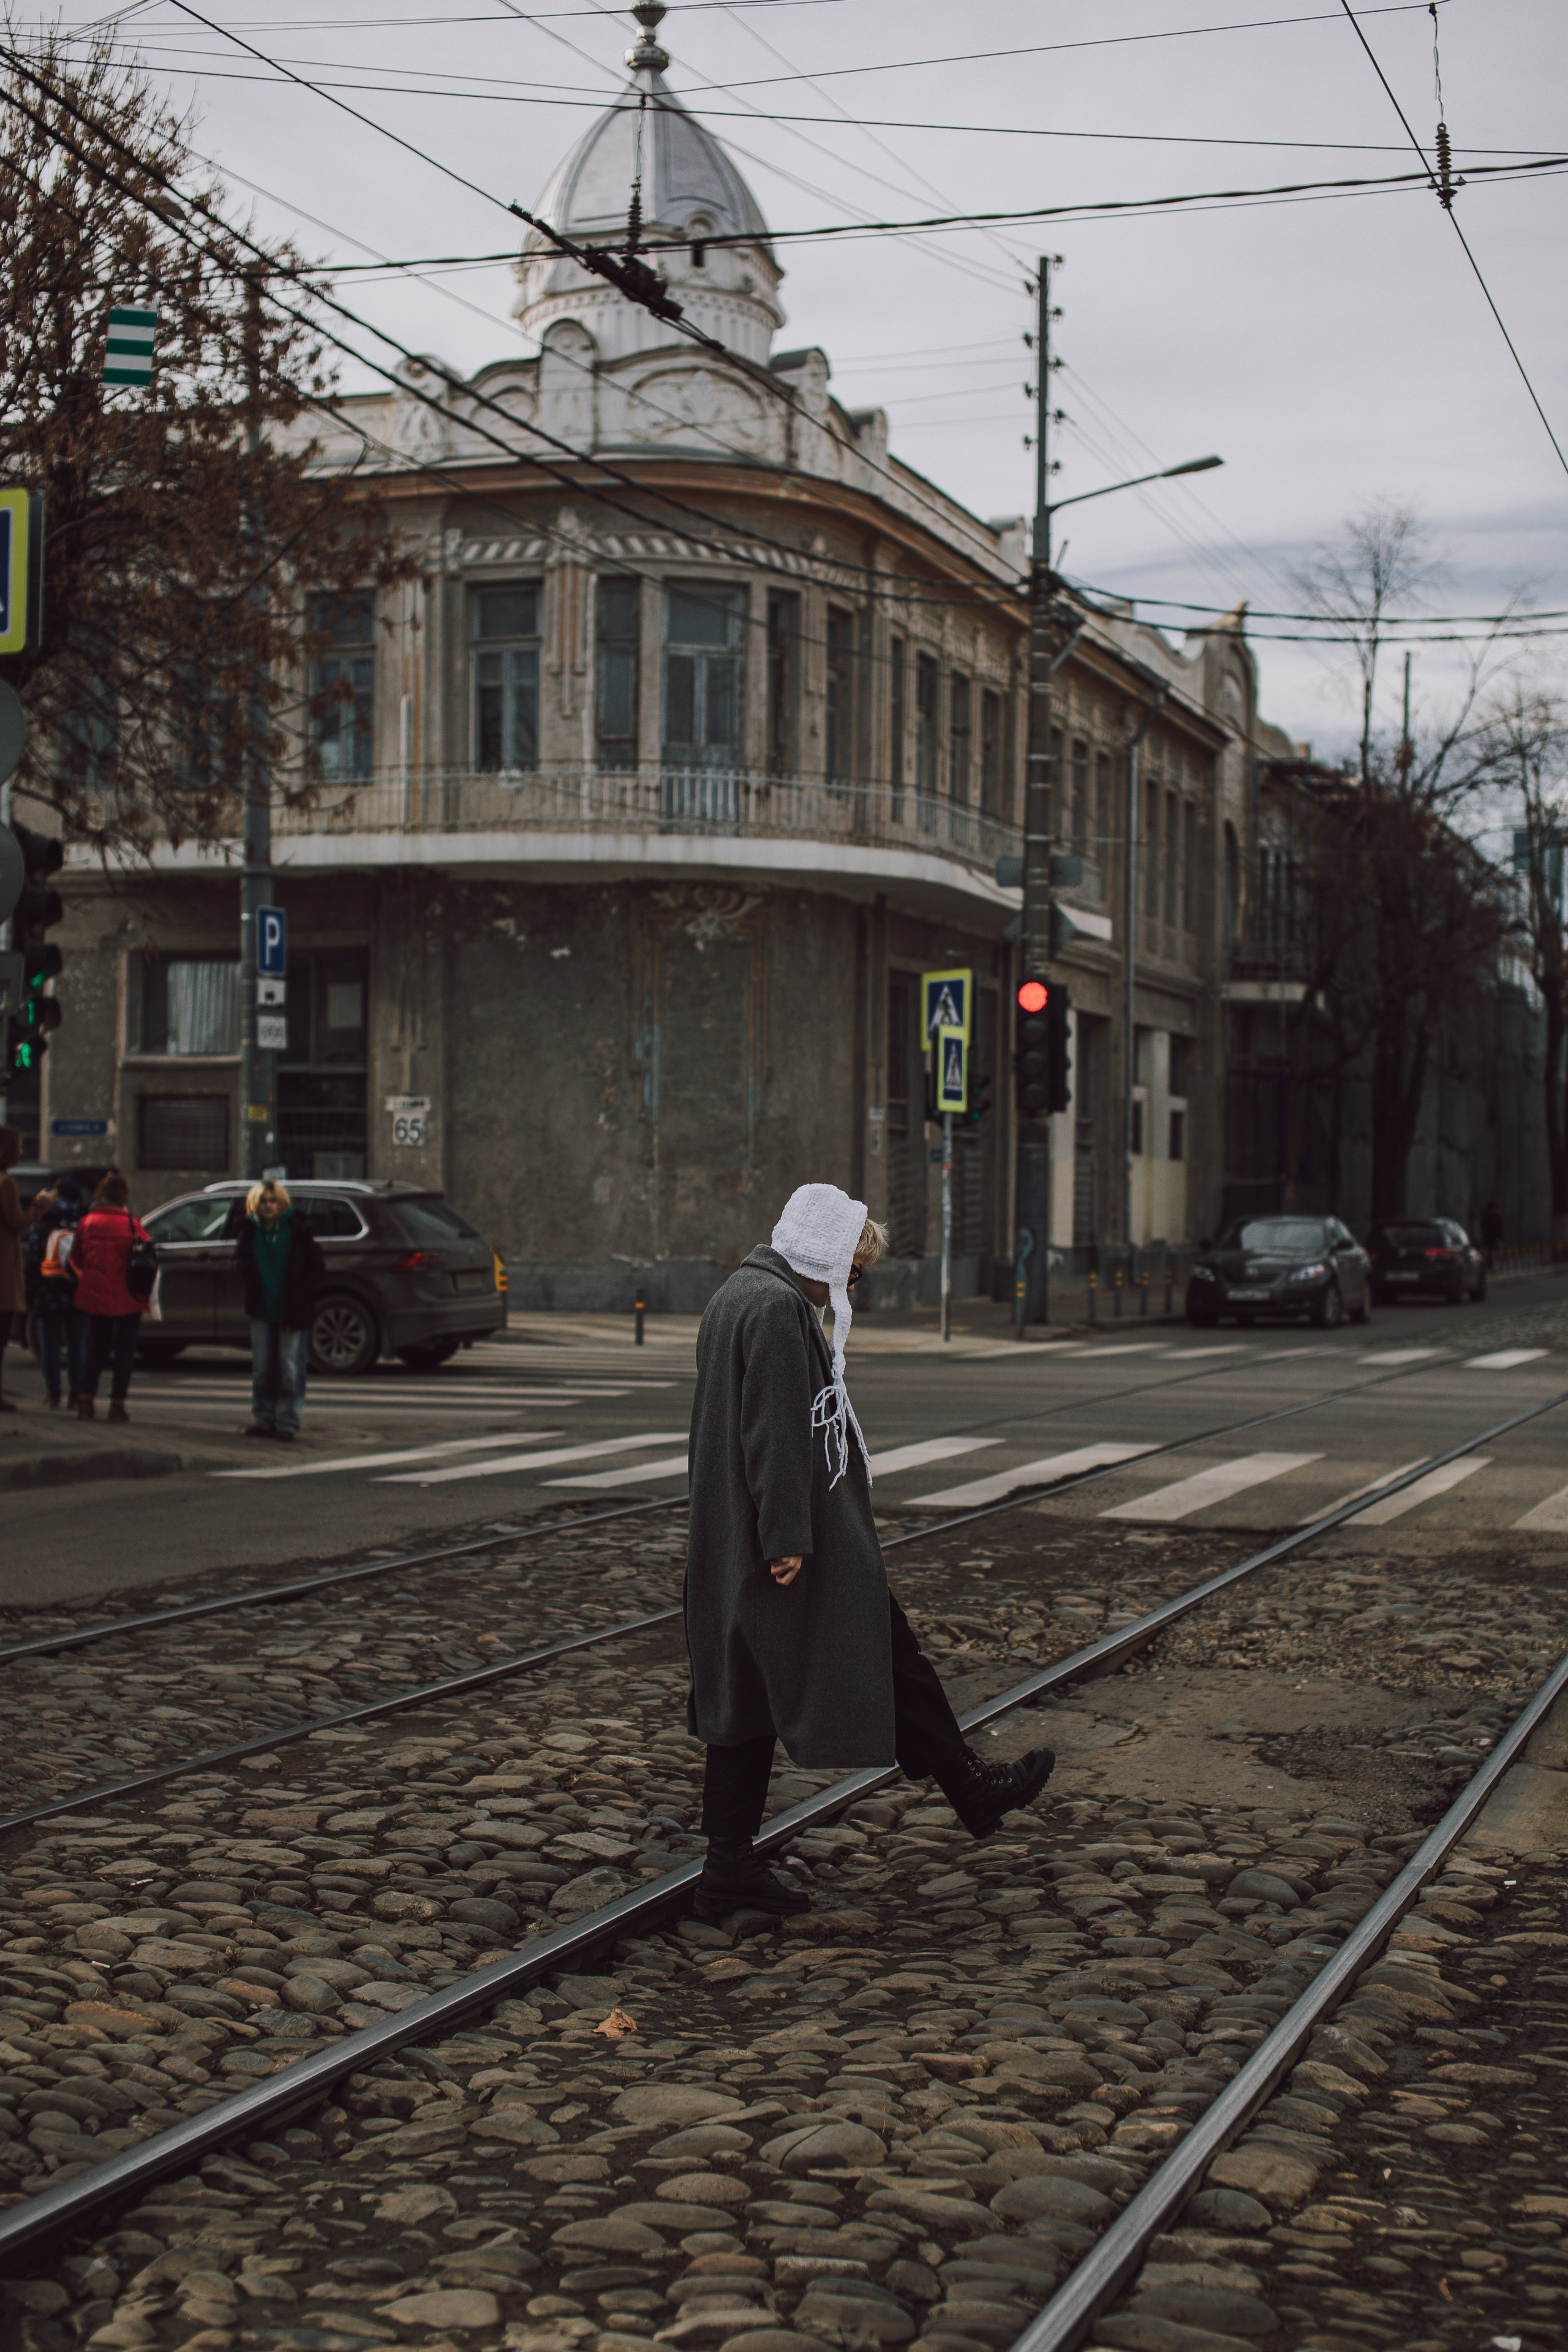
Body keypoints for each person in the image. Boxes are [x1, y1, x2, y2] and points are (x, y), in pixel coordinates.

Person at [685, 1180, 1055, 1924]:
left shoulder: (736, 1295)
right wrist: (786, 1538)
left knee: (756, 1695)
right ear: (824, 1252)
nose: (852, 1286)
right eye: (853, 1270)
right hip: (789, 1544)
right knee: (873, 1658)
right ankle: (968, 1788)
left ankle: (731, 1868)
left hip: (736, 1535)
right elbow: (773, 1431)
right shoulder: (776, 1307)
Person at [233, 1179, 326, 1441]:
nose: (268, 1206)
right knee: (263, 1369)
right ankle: (263, 1419)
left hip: (292, 1310)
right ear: (256, 1204)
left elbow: (316, 1266)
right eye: (263, 1201)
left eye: (273, 1201)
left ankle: (287, 1422)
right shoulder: (250, 1230)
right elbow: (240, 1260)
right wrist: (249, 1276)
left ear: (282, 1202)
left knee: (289, 1368)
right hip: (262, 1308)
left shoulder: (297, 1229)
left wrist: (303, 1294)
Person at [74, 1173, 152, 1422]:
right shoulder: (132, 1223)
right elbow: (148, 1257)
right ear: (123, 1195)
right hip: (129, 1296)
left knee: (97, 1348)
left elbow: (76, 1258)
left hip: (97, 1295)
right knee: (125, 1352)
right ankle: (117, 1406)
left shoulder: (88, 1222)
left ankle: (85, 1401)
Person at [23, 1177, 85, 1408]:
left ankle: (53, 1393)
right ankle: (76, 1394)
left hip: (48, 1291)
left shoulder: (45, 1218)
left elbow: (33, 1254)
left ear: (57, 1194)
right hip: (77, 1291)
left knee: (50, 1344)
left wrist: (31, 1289)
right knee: (77, 1344)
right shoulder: (83, 1220)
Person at [0, 1126, 43, 1412]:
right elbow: (17, 1222)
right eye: (18, 1146)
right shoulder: (7, 1184)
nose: (22, 1151)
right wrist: (40, 1205)